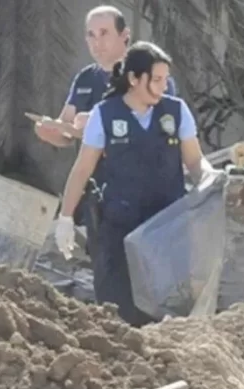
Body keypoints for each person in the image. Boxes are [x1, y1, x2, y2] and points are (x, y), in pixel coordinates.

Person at [54, 41, 217, 327]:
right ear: (134, 79)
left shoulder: (176, 112)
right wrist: (65, 217)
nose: (163, 86)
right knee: (119, 311)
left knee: (167, 311)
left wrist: (210, 178)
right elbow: (82, 169)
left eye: (165, 79)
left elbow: (194, 161)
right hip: (120, 227)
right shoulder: (104, 114)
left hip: (167, 227)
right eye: (156, 79)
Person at [34, 5, 176, 256]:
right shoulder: (85, 79)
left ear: (125, 35)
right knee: (108, 273)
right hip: (102, 196)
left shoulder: (151, 75)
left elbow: (156, 131)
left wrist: (100, 124)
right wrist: (52, 132)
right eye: (90, 35)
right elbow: (68, 129)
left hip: (149, 194)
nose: (96, 42)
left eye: (104, 33)